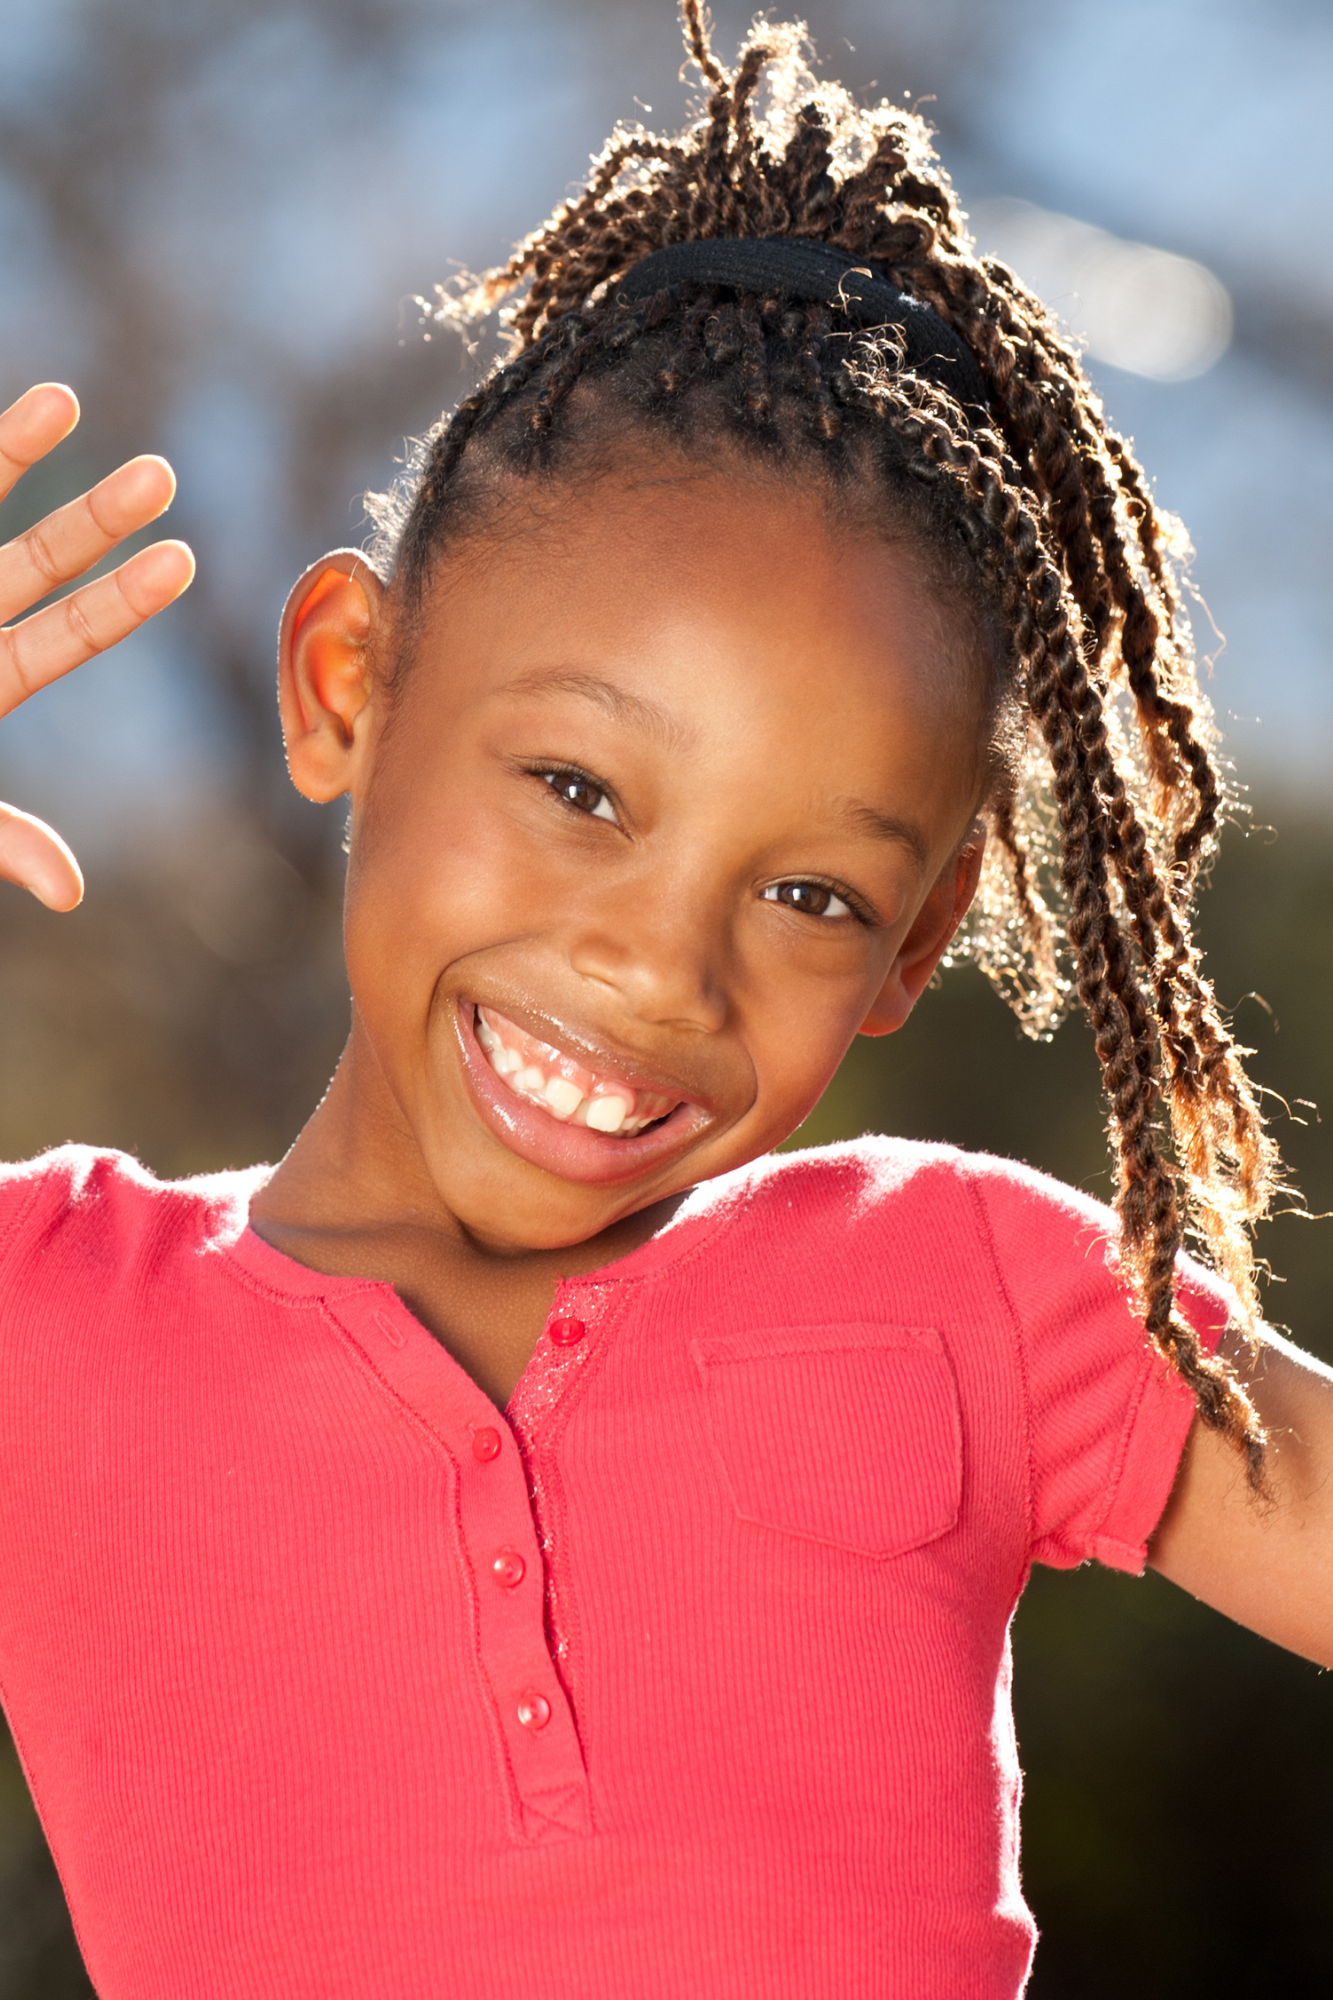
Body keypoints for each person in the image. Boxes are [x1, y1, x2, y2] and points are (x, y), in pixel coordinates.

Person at [0, 7, 1329, 1995]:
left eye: (809, 894)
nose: (656, 966)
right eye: (577, 789)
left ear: (917, 940)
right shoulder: (46, 1332)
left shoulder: (977, 1290)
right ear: (349, 685)